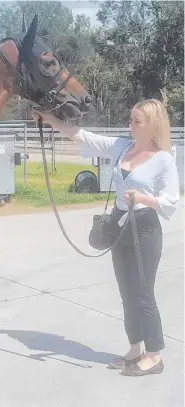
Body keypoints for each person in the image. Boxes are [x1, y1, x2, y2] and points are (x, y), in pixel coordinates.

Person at [32, 99, 180, 377]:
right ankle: (135, 348)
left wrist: (144, 198)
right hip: (119, 224)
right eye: (131, 119)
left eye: (137, 121)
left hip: (145, 228)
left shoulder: (163, 159)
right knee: (126, 292)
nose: (130, 124)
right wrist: (50, 118)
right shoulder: (122, 146)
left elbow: (171, 200)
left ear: (152, 126)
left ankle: (154, 355)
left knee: (143, 293)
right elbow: (83, 136)